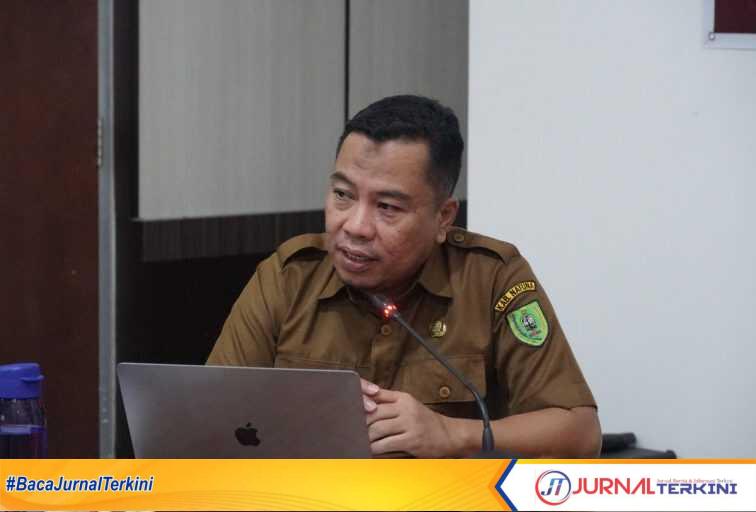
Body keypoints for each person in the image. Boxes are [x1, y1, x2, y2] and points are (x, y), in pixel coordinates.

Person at [207, 94, 601, 458]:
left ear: (443, 217)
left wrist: (453, 433)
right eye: (343, 195)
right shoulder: (288, 277)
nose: (355, 226)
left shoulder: (491, 279)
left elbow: (580, 433)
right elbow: (206, 416)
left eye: (388, 207)